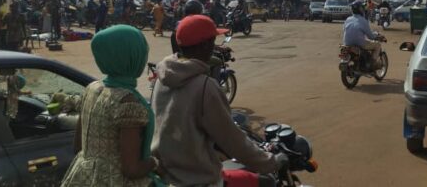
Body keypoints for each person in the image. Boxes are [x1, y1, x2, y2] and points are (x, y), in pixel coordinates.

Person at [151, 16, 286, 186]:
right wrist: (271, 162)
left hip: (163, 176)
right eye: (213, 42)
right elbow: (233, 141)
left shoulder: (161, 79)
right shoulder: (205, 87)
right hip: (198, 180)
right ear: (206, 45)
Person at [61, 25, 160, 187]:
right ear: (132, 57)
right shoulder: (127, 102)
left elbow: (78, 146)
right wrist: (155, 162)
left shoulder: (91, 89)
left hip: (81, 177)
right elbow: (131, 169)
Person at [343, 0, 385, 69]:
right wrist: (377, 36)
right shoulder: (363, 20)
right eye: (362, 7)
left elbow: (344, 29)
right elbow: (371, 36)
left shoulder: (348, 19)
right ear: (360, 9)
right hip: (360, 43)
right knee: (377, 45)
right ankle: (372, 63)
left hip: (347, 43)